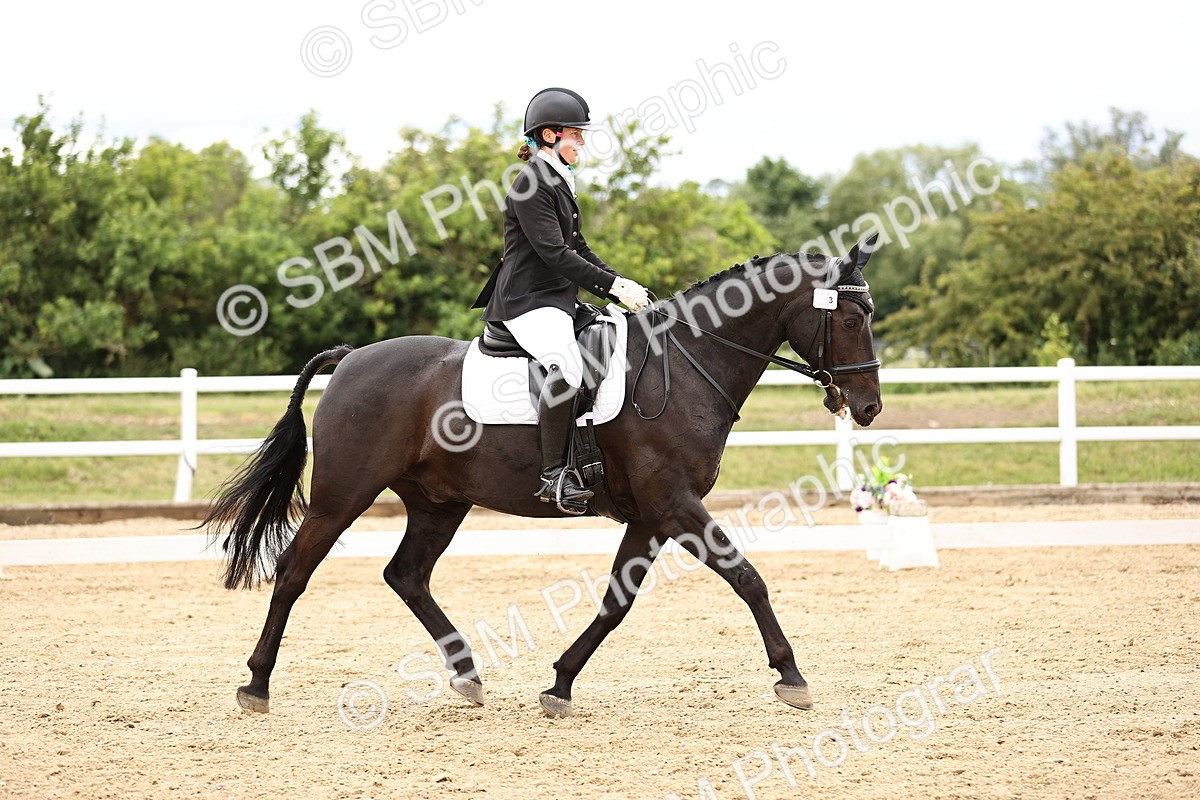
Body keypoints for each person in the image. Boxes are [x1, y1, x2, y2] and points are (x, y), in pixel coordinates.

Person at [472, 87, 651, 514]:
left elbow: (579, 247)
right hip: (526, 302)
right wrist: (611, 287)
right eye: (577, 134)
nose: (583, 142)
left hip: (555, 299)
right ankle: (553, 476)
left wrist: (621, 282)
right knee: (568, 365)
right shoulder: (531, 183)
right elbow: (555, 253)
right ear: (550, 135)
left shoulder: (556, 179)